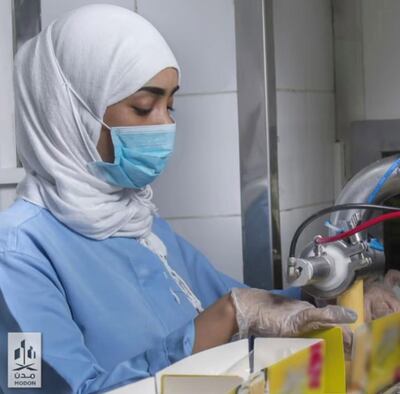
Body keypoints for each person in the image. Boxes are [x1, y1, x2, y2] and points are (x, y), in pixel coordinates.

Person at [0, 4, 398, 394]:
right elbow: (37, 386)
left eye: (170, 105)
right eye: (143, 107)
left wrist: (332, 296)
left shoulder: (138, 223)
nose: (165, 125)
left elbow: (241, 307)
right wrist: (229, 315)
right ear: (71, 111)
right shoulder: (18, 254)